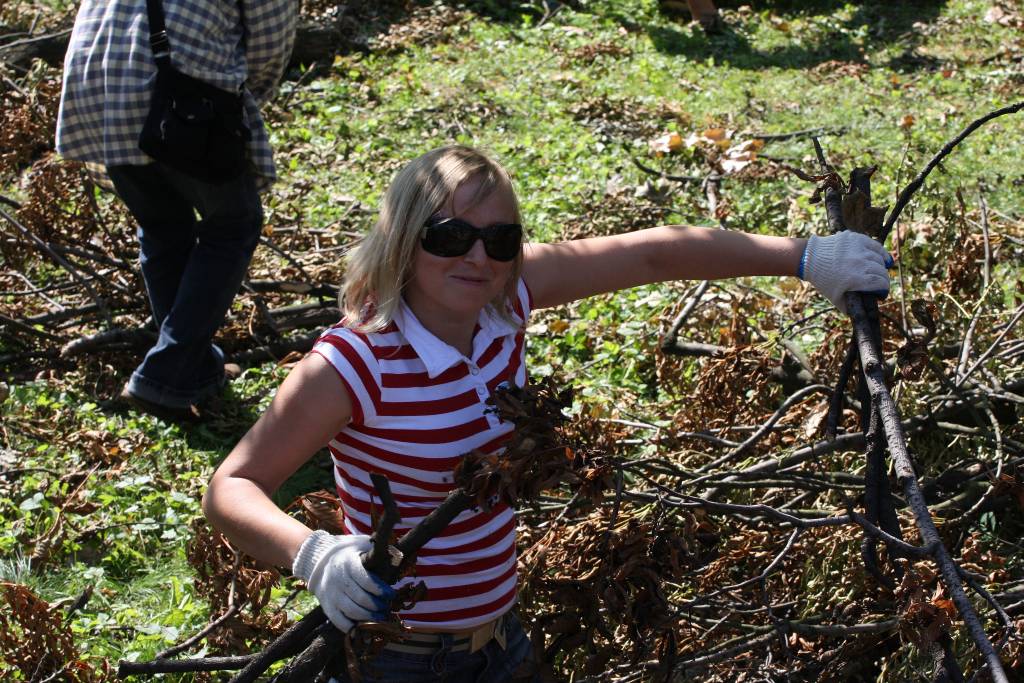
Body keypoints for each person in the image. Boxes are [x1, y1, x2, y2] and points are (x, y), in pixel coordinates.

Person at [202, 145, 891, 681]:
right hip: (398, 657)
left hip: (502, 634)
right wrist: (313, 555)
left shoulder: (505, 301)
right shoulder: (356, 363)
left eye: (500, 240)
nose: (478, 256)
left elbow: (653, 251)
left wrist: (804, 257)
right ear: (406, 238)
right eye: (450, 236)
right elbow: (231, 485)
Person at [55, 0, 297, 420]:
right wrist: (239, 96)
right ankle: (164, 376)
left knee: (163, 226)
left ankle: (193, 368)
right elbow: (269, 48)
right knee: (234, 223)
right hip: (176, 93)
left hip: (97, 89)